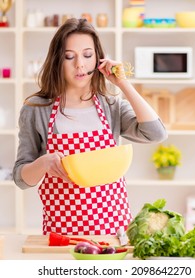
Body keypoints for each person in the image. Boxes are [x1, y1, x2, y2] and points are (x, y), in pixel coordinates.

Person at [13, 18, 167, 236]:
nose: (80, 65)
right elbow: (21, 178)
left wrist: (123, 83)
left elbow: (156, 133)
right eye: (69, 56)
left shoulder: (111, 105)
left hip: (114, 232)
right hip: (62, 232)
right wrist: (44, 162)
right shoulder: (36, 109)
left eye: (87, 55)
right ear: (58, 60)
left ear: (98, 60)